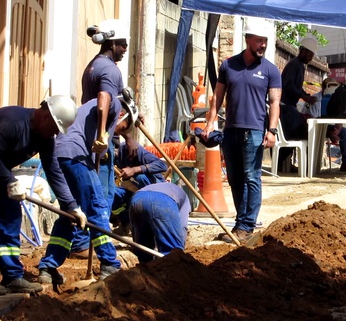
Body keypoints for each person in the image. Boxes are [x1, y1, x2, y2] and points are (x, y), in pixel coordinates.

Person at [0, 95, 82, 296]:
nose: (55, 133)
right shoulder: (13, 123)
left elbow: (53, 170)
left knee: (9, 216)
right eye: (55, 128)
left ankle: (12, 276)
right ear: (46, 115)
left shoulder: (46, 137)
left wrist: (72, 206)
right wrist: (10, 181)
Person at [37, 91, 135, 284]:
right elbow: (103, 97)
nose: (119, 132)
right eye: (122, 129)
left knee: (70, 214)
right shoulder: (114, 104)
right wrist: (101, 134)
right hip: (76, 156)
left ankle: (48, 268)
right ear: (123, 115)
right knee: (96, 208)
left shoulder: (85, 111)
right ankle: (109, 264)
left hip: (60, 156)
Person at [201, 17, 281, 243]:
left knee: (252, 177)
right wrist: (210, 122)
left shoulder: (270, 70)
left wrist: (271, 130)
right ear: (247, 40)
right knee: (235, 179)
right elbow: (218, 95)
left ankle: (248, 225)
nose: (262, 45)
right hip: (231, 131)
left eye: (265, 41)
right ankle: (240, 223)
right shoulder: (228, 65)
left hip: (255, 131)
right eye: (258, 41)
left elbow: (275, 102)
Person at [70, 19, 135, 258]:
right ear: (111, 42)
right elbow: (103, 100)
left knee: (89, 192)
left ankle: (85, 242)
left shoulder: (92, 66)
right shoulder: (110, 70)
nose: (125, 48)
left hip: (88, 138)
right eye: (123, 44)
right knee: (101, 195)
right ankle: (90, 244)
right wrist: (102, 135)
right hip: (99, 143)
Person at [278, 37, 319, 172]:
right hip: (285, 107)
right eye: (310, 55)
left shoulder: (300, 66)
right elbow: (289, 85)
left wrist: (305, 95)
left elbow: (296, 87)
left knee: (297, 131)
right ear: (304, 51)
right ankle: (281, 162)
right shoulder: (294, 65)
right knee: (298, 130)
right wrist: (303, 97)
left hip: (290, 106)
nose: (310, 58)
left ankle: (284, 162)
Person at [111, 141, 168, 235]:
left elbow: (162, 165)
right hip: (133, 191)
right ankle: (126, 223)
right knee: (114, 192)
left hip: (154, 189)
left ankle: (151, 222)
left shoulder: (132, 149)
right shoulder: (112, 161)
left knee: (140, 177)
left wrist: (135, 170)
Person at [128, 182, 191, 263]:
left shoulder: (167, 188)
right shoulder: (185, 200)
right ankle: (171, 272)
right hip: (162, 201)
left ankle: (145, 269)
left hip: (136, 199)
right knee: (172, 253)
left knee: (143, 249)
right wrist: (180, 245)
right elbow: (182, 227)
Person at [308, 78, 346, 173]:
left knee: (344, 132)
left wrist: (338, 129)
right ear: (324, 87)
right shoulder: (316, 100)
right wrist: (329, 133)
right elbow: (315, 122)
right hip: (317, 127)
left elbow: (340, 116)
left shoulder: (338, 99)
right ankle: (312, 165)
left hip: (332, 126)